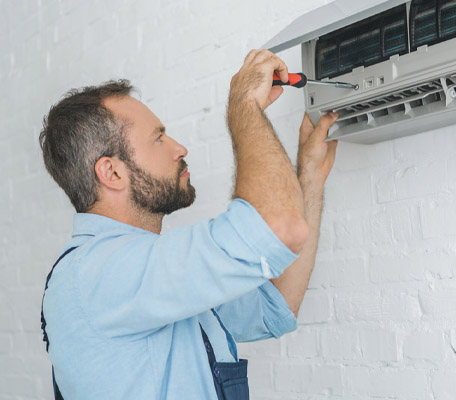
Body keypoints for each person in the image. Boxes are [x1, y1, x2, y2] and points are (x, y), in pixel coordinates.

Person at [39, 49, 338, 399]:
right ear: (112, 172)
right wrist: (244, 104)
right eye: (158, 137)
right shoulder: (100, 273)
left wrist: (310, 178)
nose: (179, 148)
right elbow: (280, 228)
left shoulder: (150, 273)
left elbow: (276, 305)